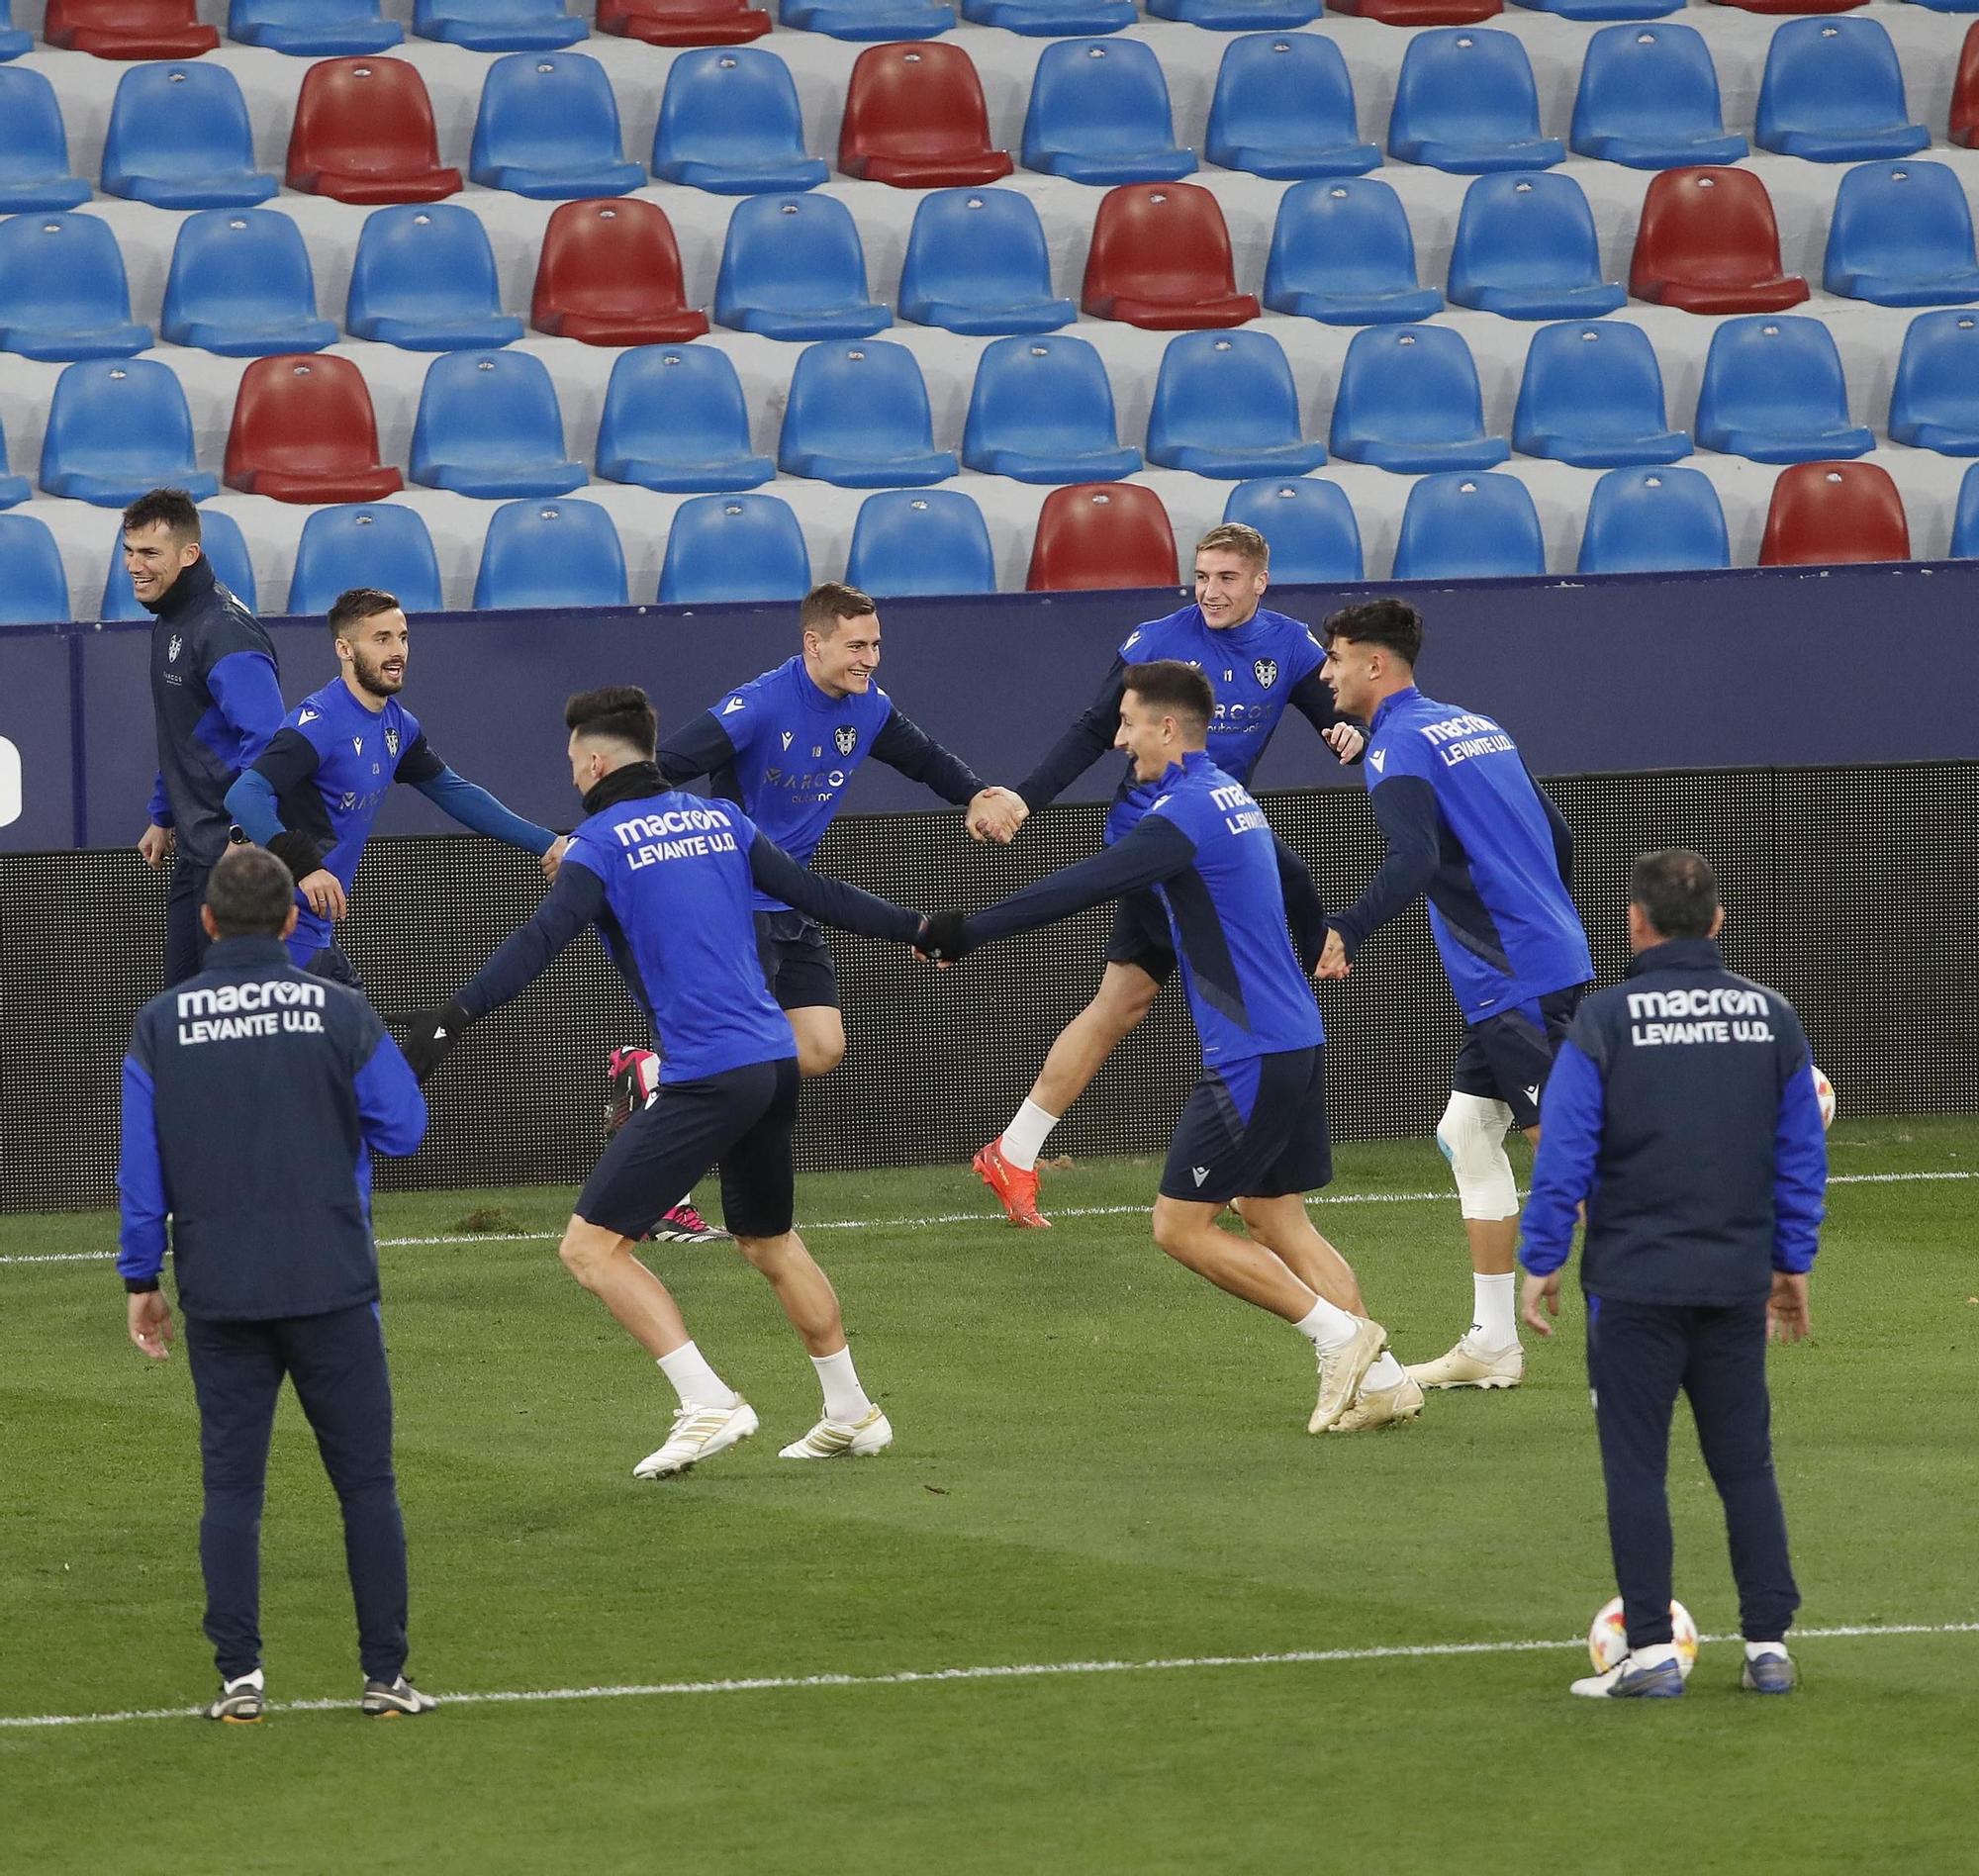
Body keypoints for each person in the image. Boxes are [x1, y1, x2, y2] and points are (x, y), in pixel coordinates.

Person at [404, 686, 930, 1478]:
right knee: (771, 1241)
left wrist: (450, 1019)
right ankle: (853, 1412)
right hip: (771, 1063)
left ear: (590, 761)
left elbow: (542, 939)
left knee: (590, 1250)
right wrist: (920, 928)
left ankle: (707, 1401)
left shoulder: (600, 842)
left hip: (708, 1075)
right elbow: (820, 896)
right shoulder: (722, 820)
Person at [922, 660, 1419, 1436]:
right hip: (1295, 1039)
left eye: (1126, 723)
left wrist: (968, 932)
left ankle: (1341, 1338)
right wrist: (1313, 943)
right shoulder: (1230, 795)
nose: (1118, 739)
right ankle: (1385, 1382)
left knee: (1179, 1227)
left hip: (1251, 1055)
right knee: (1277, 1219)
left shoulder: (1182, 812)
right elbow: (1298, 882)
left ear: (1165, 726)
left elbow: (1086, 883)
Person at [117, 844, 433, 1723]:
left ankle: (240, 1681)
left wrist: (142, 1278)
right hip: (333, 1279)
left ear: (207, 922)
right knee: (366, 1484)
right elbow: (405, 1127)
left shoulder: (160, 1024)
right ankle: (384, 1677)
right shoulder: (339, 1009)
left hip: (221, 1292)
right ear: (293, 920)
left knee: (232, 1490)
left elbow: (141, 1176)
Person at [972, 523, 1364, 1230]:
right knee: (1238, 991)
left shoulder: (1291, 646)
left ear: (1259, 582)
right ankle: (1257, 1174)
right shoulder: (1156, 639)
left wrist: (1355, 732)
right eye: (1203, 575)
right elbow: (1093, 731)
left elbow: (1340, 714)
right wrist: (1027, 798)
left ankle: (1015, 1150)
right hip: (1156, 845)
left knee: (1123, 1001)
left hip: (1216, 840)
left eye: (1227, 578)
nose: (1211, 591)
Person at [1518, 851, 1824, 1699]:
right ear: (1718, 922)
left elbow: (1566, 1152)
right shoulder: (1772, 1018)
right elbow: (1801, 1153)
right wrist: (1791, 1262)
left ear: (1635, 921)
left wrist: (1542, 1259)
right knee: (1745, 1466)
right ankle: (1769, 1648)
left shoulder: (1605, 1022)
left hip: (1634, 1287)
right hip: (1733, 1284)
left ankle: (1650, 1655)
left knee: (1636, 1469)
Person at [1314, 600, 1593, 1393]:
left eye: (1335, 659)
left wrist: (1349, 929)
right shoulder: (1478, 725)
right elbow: (1560, 835)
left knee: (1571, 1161)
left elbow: (1411, 857)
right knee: (1468, 1130)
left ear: (1374, 664)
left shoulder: (1394, 746)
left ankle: (1644, 1336)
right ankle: (1494, 1343)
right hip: (1532, 962)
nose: (1326, 674)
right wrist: (1542, 920)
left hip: (1514, 981)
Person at [627, 580, 1025, 1082]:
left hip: (795, 899)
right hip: (733, 905)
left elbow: (924, 758)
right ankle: (665, 1075)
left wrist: (976, 793)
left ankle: (665, 1072)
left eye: (875, 644)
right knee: (735, 1055)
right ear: (814, 644)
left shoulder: (869, 706)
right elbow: (662, 767)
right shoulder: (759, 706)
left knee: (821, 1048)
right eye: (856, 646)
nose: (871, 659)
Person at [225, 587, 562, 996]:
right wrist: (304, 865)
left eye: (402, 637)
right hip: (279, 927)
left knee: (360, 1055)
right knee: (357, 1054)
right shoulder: (319, 723)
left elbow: (455, 792)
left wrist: (550, 843)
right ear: (345, 650)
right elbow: (245, 794)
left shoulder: (398, 726)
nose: (397, 650)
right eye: (381, 639)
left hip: (317, 929)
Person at [129, 489, 285, 987]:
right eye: (129, 550)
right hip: (197, 846)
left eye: (150, 553)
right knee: (183, 1002)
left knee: (228, 1007)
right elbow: (185, 729)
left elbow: (266, 744)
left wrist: (242, 835)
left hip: (228, 852)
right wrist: (163, 814)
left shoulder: (223, 631)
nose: (135, 565)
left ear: (188, 554)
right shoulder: (173, 614)